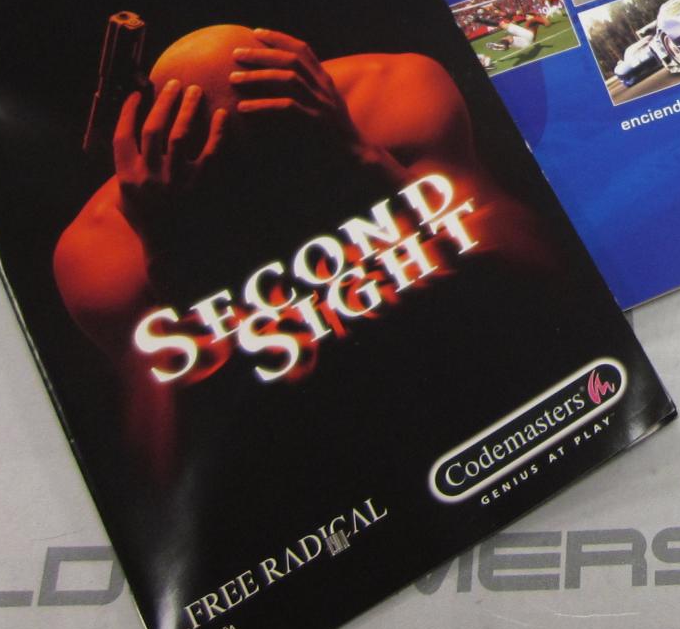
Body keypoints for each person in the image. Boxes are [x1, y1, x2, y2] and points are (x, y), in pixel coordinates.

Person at [51, 24, 527, 471]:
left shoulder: (397, 96)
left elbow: (538, 273)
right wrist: (169, 258)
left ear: (312, 107)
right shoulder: (102, 254)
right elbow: (175, 472)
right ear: (182, 174)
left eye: (282, 160)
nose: (270, 202)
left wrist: (367, 160)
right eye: (234, 182)